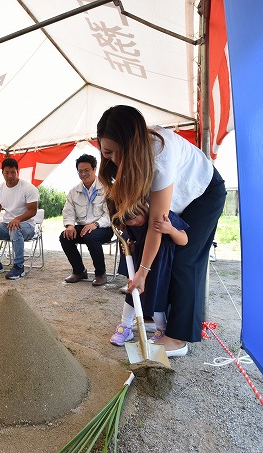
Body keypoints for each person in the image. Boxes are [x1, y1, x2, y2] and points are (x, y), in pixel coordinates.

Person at [97, 105, 226, 356]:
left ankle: (177, 338)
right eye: (105, 152)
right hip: (177, 201)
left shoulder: (160, 153)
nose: (110, 158)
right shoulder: (130, 159)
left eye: (113, 152)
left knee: (185, 258)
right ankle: (154, 318)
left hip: (204, 194)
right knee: (160, 256)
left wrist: (142, 273)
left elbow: (157, 223)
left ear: (130, 145)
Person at [110, 203, 189, 347]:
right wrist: (131, 247)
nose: (135, 223)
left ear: (140, 206)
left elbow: (184, 240)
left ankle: (162, 330)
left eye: (135, 218)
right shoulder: (132, 224)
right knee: (131, 294)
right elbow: (134, 241)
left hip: (160, 268)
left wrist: (170, 230)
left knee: (155, 298)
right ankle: (125, 327)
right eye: (130, 223)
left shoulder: (164, 216)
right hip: (139, 266)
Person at [0, 158, 39, 280]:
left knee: (14, 228)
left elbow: (33, 211)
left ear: (17, 172)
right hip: (7, 225)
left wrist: (18, 219)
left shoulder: (28, 188)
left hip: (27, 226)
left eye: (13, 172)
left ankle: (18, 267)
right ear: (2, 173)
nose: (10, 176)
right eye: (7, 173)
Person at [60, 153, 113, 286]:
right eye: (80, 171)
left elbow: (110, 215)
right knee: (64, 236)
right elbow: (68, 211)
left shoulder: (107, 188)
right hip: (83, 228)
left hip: (103, 228)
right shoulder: (73, 192)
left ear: (94, 169)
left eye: (87, 170)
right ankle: (79, 271)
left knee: (91, 237)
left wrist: (95, 224)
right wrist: (69, 226)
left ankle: (100, 273)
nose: (83, 174)